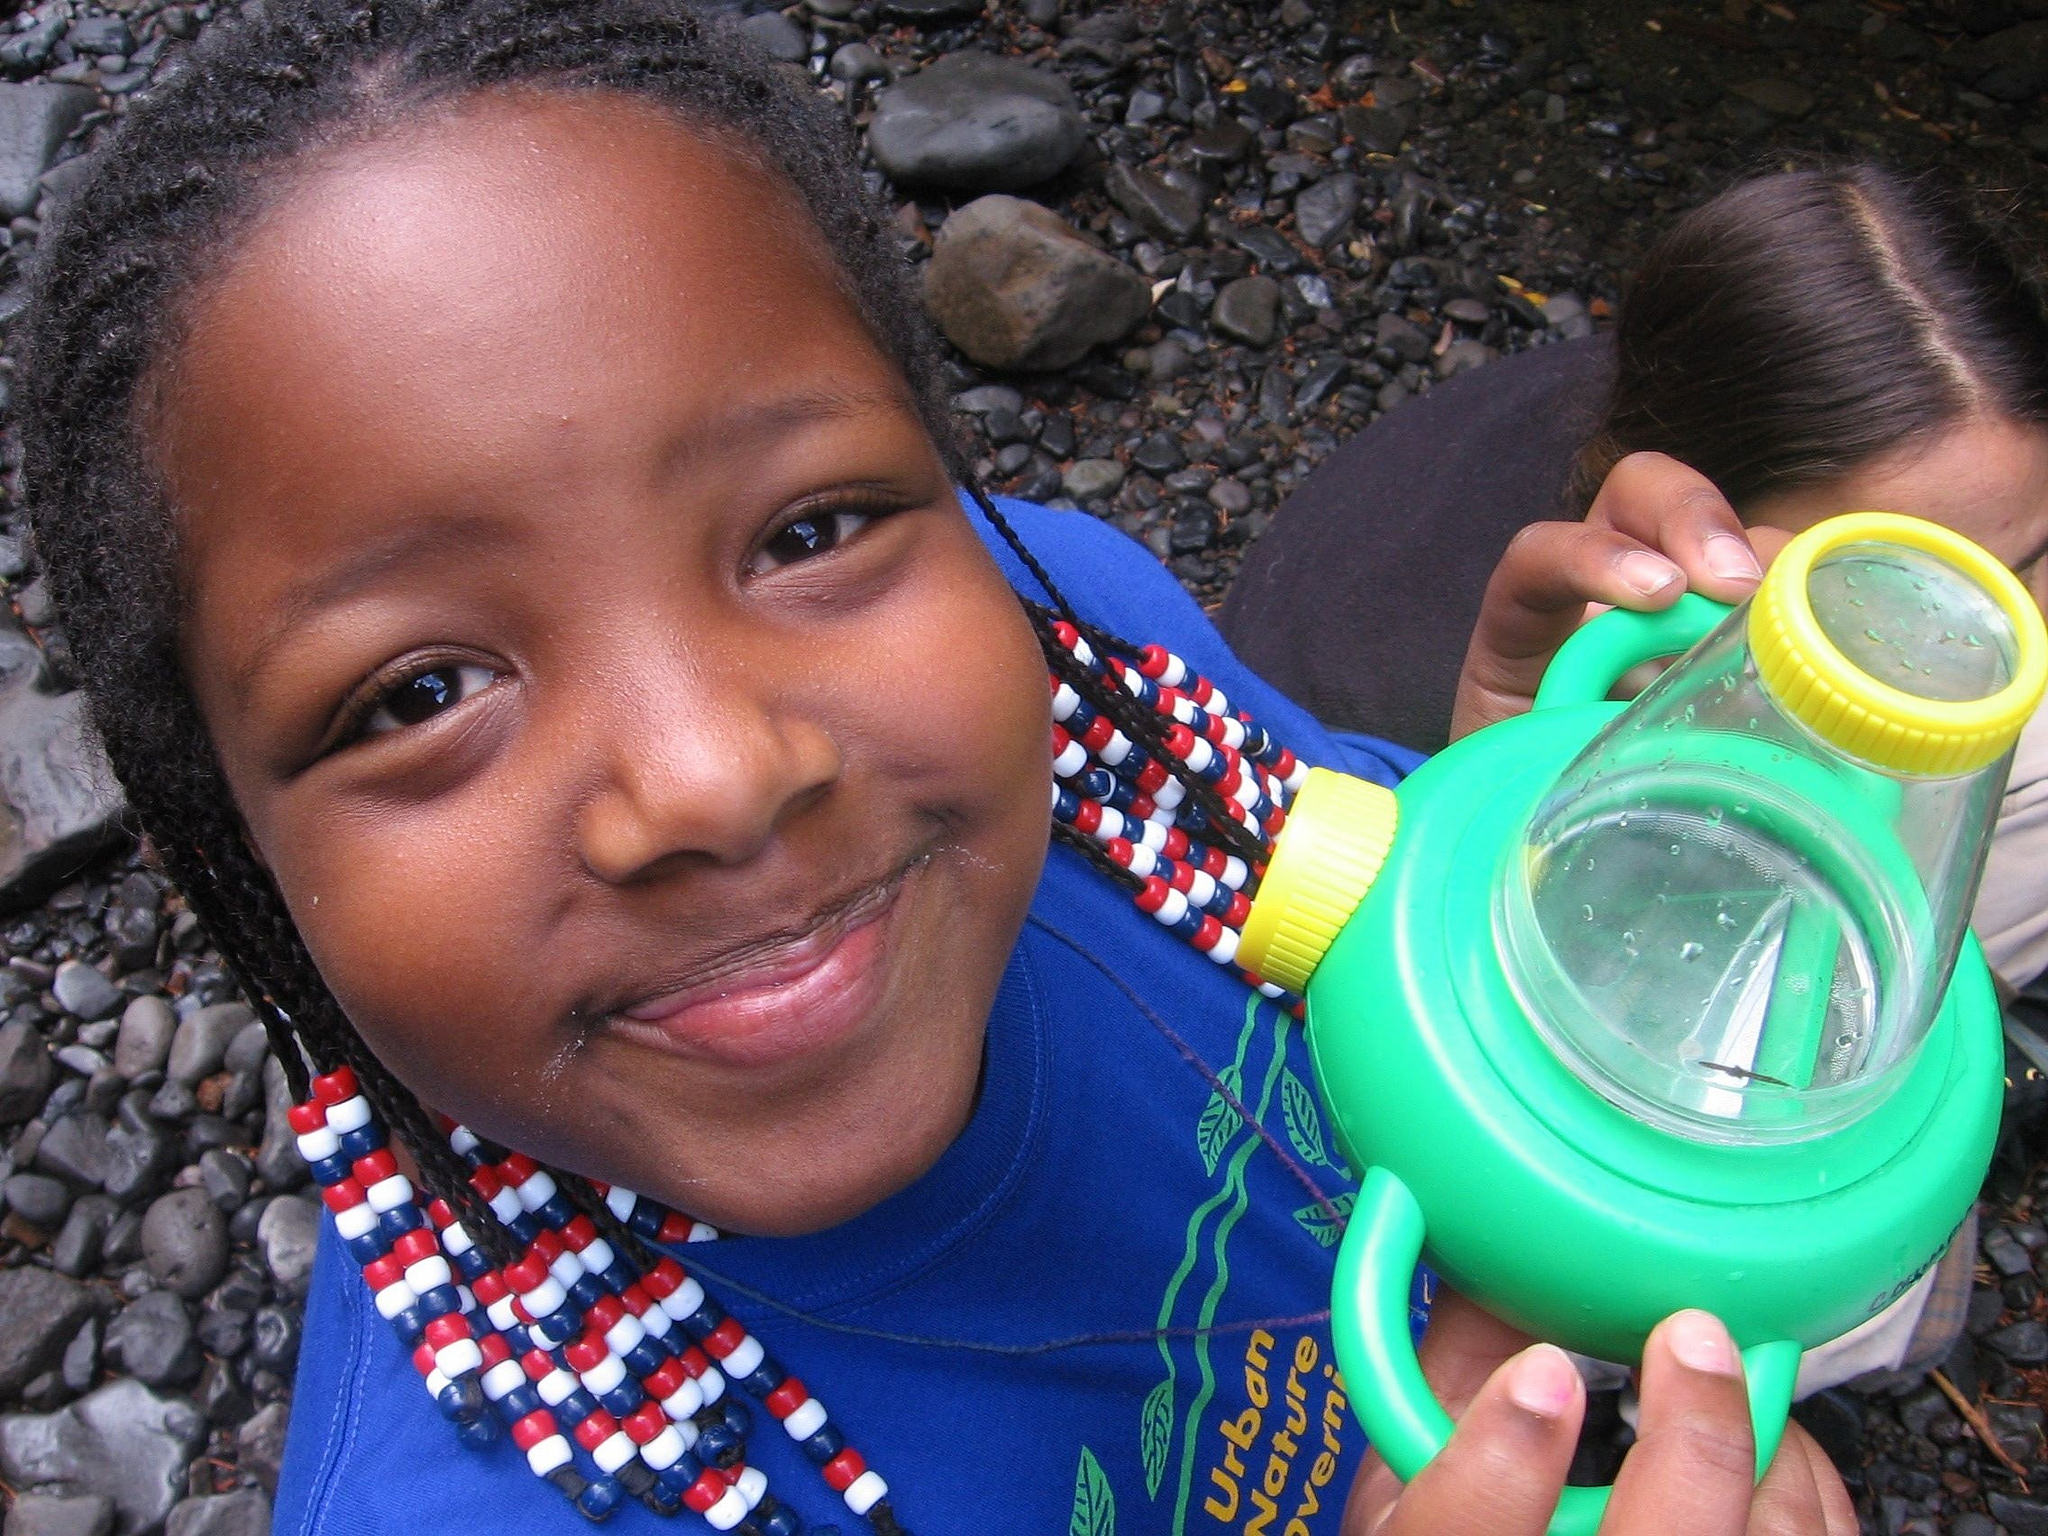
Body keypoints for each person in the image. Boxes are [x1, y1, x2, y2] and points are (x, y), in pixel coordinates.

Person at [13, 2, 1852, 1531]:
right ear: (227, 849)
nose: (713, 776)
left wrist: (1500, 823)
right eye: (417, 693)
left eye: (810, 526)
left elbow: (1388, 998)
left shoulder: (1110, 680)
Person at [1226, 160, 2048, 1399]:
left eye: (2019, 569)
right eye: (1879, 601)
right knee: (1870, 1300)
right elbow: (1428, 1146)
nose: (1965, 663)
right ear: (1708, 545)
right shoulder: (1433, 730)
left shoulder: (1690, 413)